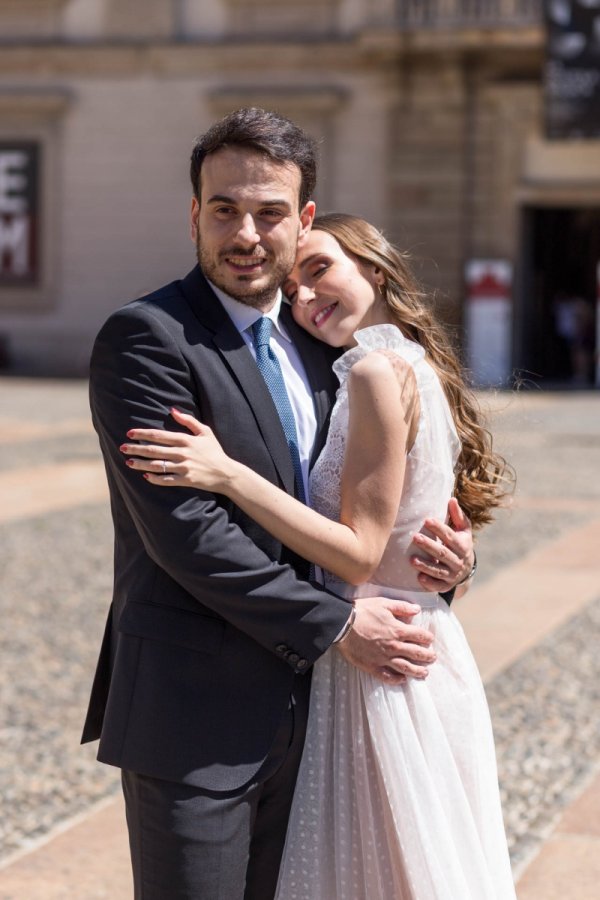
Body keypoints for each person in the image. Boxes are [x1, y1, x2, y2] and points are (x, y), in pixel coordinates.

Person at [83, 108, 474, 900]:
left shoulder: (323, 342)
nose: (246, 234)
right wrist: (337, 624)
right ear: (195, 215)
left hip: (329, 719)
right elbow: (187, 536)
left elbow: (374, 503)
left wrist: (442, 557)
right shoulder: (147, 337)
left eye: (269, 213)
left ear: (301, 222)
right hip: (198, 718)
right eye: (224, 209)